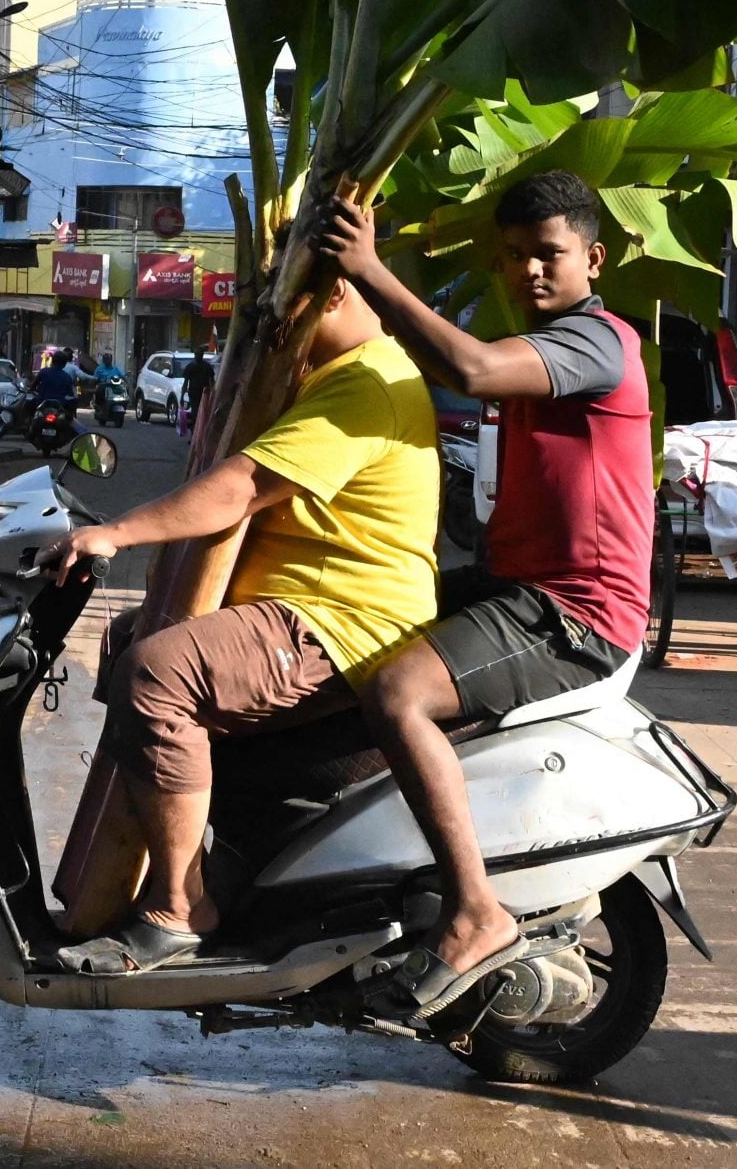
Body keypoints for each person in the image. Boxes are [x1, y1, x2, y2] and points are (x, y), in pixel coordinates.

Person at [310, 169, 653, 1019]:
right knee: (353, 635)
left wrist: (369, 267)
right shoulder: (543, 349)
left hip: (575, 612)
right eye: (513, 257)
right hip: (519, 587)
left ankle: (474, 911)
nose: (530, 272)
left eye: (549, 255)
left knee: (398, 691)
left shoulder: (597, 341)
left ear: (593, 260)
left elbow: (468, 365)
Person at [42, 275, 438, 973]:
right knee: (127, 640)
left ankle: (179, 906)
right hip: (302, 605)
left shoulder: (366, 381)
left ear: (333, 289)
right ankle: (199, 860)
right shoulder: (333, 374)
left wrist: (119, 532)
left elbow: (242, 486)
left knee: (157, 673)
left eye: (280, 310)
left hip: (340, 620)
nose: (269, 331)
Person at [181, 346, 217, 435]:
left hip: (205, 394)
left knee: (203, 415)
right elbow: (185, 383)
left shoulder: (207, 367)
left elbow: (212, 382)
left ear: (202, 355)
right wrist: (182, 396)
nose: (198, 356)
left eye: (200, 355)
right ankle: (194, 435)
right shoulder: (190, 367)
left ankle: (200, 434)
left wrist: (214, 394)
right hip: (194, 394)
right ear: (195, 355)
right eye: (197, 354)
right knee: (195, 414)